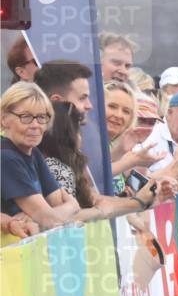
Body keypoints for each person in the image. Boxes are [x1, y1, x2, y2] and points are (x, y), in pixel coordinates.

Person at [37, 101, 165, 217]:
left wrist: (136, 201)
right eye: (112, 106)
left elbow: (93, 198)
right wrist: (136, 203)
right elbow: (67, 217)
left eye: (126, 111)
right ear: (67, 135)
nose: (119, 115)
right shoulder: (54, 166)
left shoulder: (64, 164)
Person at [1, 82, 81, 229]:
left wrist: (66, 208)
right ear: (4, 118)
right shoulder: (5, 157)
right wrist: (72, 205)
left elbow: (56, 205)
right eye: (25, 117)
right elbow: (49, 219)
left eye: (42, 117)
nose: (35, 125)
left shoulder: (34, 152)